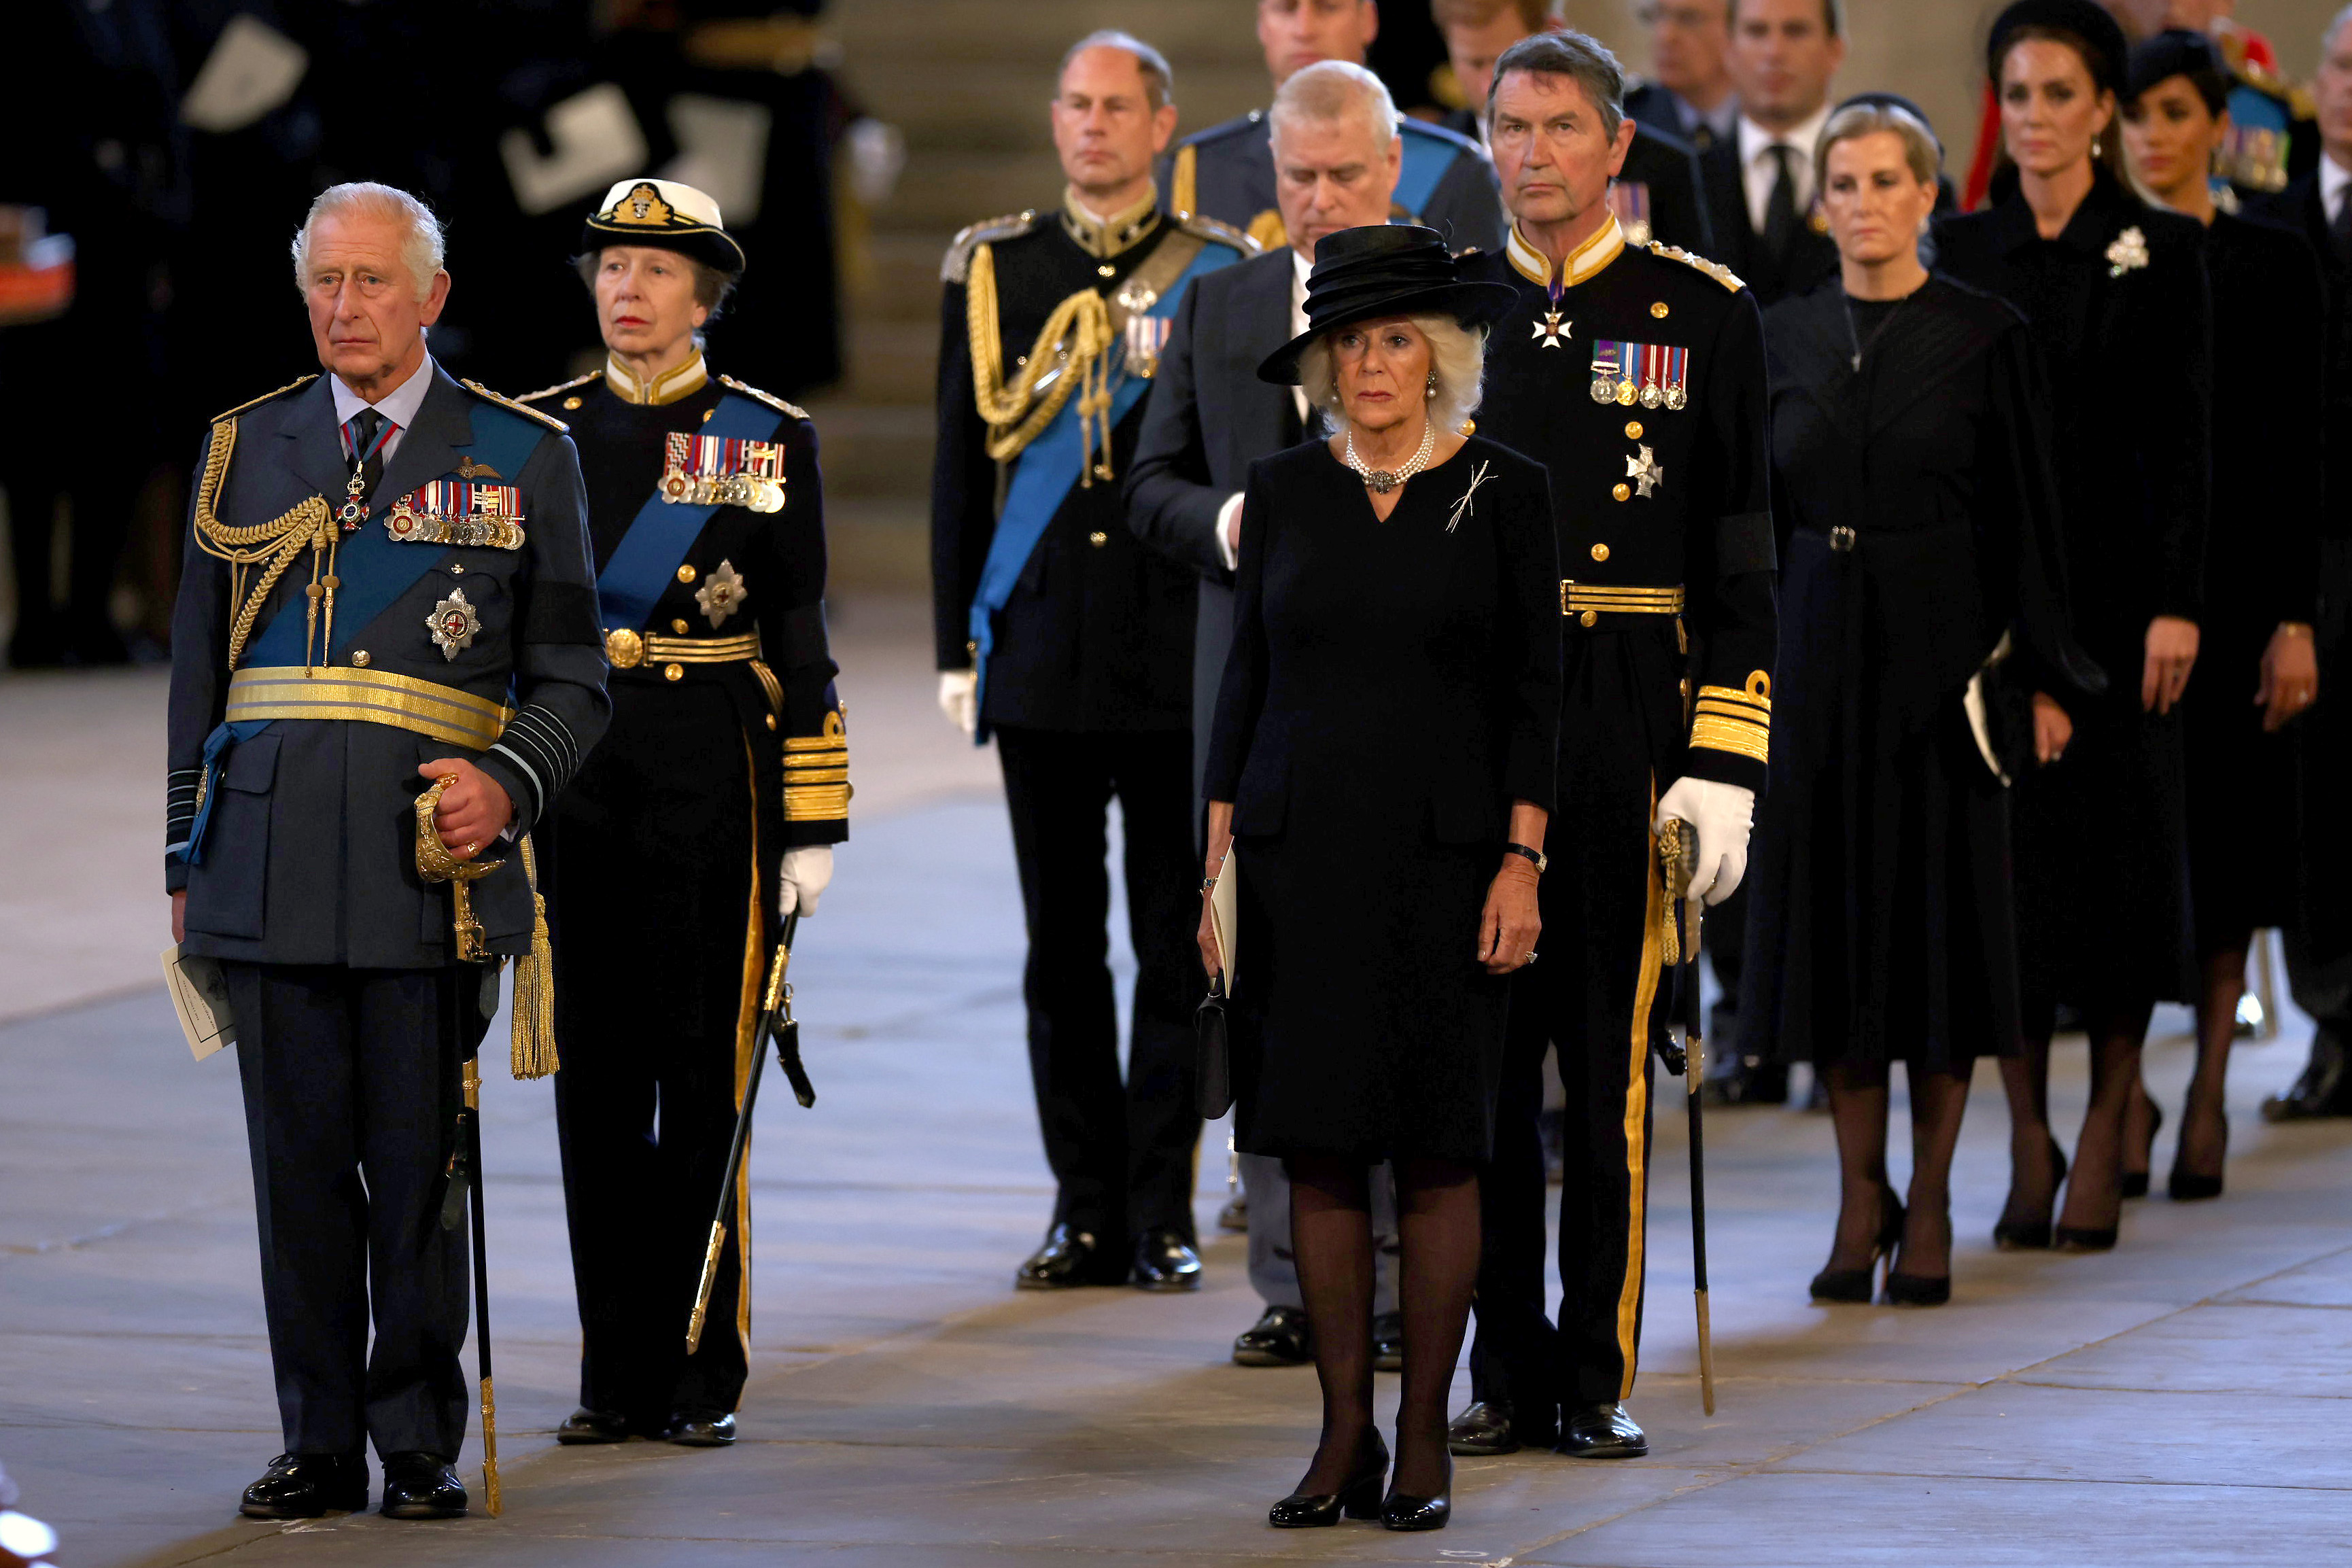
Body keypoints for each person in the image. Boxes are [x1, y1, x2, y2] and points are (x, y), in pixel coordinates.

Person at [165, 181, 610, 1518]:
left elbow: (576, 679)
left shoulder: (518, 453)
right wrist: (186, 859)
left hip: (427, 873)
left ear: (432, 296)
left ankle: (413, 1437)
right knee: (296, 1173)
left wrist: (507, 786)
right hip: (266, 861)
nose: (345, 308)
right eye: (325, 283)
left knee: (417, 1169)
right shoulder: (241, 449)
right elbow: (197, 677)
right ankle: (315, 1439)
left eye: (370, 282)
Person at [1198, 222, 1557, 1531]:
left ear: (1444, 353)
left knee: (1440, 1148)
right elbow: (1247, 683)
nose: (1371, 363)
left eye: (1396, 337)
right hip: (1300, 858)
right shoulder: (1283, 487)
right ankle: (1342, 1431)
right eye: (1349, 341)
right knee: (1322, 1151)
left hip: (1453, 859)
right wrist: (1217, 863)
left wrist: (1523, 856)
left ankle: (1424, 1434)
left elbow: (1537, 695)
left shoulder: (1508, 490)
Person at [1451, 29, 1775, 1461]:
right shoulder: (1442, 307)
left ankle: (1590, 1370)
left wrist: (1724, 762)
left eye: (1557, 128)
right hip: (1470, 725)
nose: (1529, 155)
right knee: (1482, 1069)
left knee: (1604, 1062)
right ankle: (1500, 1368)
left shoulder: (1698, 311)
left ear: (1614, 148)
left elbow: (1741, 567)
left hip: (1630, 708)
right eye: (1507, 129)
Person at [1742, 99, 2100, 1306]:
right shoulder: (1778, 334)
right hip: (1817, 657)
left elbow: (2035, 523)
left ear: (1928, 196)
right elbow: (1750, 516)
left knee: (1940, 943)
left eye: (1890, 179)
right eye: (1844, 181)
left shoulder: (1985, 334)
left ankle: (1934, 1194)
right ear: (1822, 202)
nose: (1866, 201)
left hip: (1944, 669)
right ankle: (1860, 1194)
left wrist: (2045, 676)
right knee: (1840, 943)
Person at [517, 178, 848, 1450]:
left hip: (719, 784)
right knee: (596, 1089)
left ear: (704, 295)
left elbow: (803, 635)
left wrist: (815, 821)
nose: (628, 290)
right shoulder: (534, 433)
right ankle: (615, 1371)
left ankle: (702, 1367)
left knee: (706, 1083)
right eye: (611, 267)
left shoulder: (765, 436)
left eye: (656, 272)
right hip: (578, 788)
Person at [933, 33, 1253, 1293]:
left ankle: (1158, 1205)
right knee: (1059, 947)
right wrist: (965, 633)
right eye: (1075, 104)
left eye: (1118, 107)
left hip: (1177, 657)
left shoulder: (1218, 273)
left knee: (1175, 945)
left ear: (1164, 126)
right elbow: (967, 472)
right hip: (1046, 658)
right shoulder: (995, 265)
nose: (1093, 127)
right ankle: (1079, 1206)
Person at [1127, 58, 1412, 1373]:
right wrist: (1224, 522)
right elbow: (1150, 484)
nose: (1319, 197)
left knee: (1403, 987)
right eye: (1298, 175)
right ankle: (1296, 1279)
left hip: (1405, 708)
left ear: (1393, 168)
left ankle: (1405, 1274)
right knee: (1265, 987)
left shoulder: (1435, 311)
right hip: (1252, 698)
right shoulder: (1223, 301)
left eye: (1345, 172)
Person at [1937, 0, 2213, 1253]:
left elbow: (2194, 446)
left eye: (2062, 94)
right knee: (2013, 885)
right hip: (1999, 615)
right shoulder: (1963, 247)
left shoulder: (2163, 248)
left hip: (2123, 607)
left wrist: (2178, 601)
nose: (2038, 118)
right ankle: (2031, 1132)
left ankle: (2108, 1117)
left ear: (2105, 109)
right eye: (2021, 94)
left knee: (2122, 875)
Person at [2116, 31, 2322, 1198]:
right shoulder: (2106, 247)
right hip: (2123, 587)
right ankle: (2129, 1083)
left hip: (2241, 585)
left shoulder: (2271, 255)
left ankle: (2203, 1093)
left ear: (2216, 123)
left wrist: (2293, 616)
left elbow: (2300, 445)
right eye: (2138, 113)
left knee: (2232, 837)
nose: (2155, 133)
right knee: (2135, 844)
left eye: (2177, 112)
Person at [2254, 3, 2352, 1123]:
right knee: (2314, 796)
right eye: (2343, 66)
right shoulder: (2270, 222)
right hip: (2309, 544)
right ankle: (2333, 1020)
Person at [1160, 0, 1504, 254]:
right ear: (1262, 25)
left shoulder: (1455, 170)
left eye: (1327, 7)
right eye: (1286, 9)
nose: (1305, 29)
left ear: (1368, 20)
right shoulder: (1199, 168)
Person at [1430, 0, 1715, 254]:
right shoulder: (1430, 165)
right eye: (1472, 63)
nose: (1488, 85)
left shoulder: (1660, 163)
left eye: (1506, 62)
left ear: (1553, 35)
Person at [1625, 0, 1740, 152]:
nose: (1665, 35)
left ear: (1737, 28)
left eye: (1689, 19)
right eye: (1659, 15)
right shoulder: (1630, 122)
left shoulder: (1770, 119)